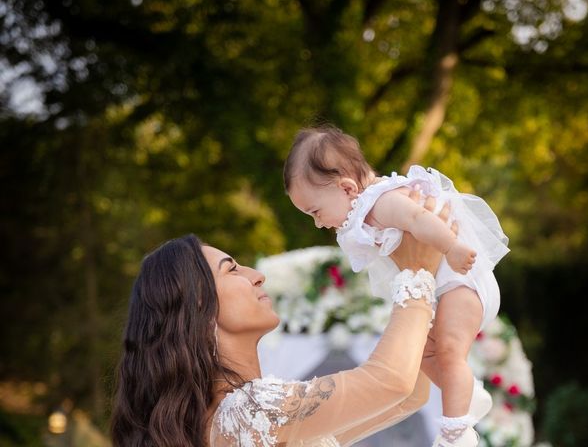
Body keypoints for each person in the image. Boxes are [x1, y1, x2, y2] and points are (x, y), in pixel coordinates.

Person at [110, 190, 453, 447]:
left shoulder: (242, 416)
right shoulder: (247, 412)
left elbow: (402, 399)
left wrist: (424, 320)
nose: (256, 275)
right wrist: (417, 271)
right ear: (201, 307)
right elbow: (389, 382)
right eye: (231, 269)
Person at [284, 124, 510, 447]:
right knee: (423, 353)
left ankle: (456, 432)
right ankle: (466, 392)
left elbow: (420, 219)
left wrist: (452, 247)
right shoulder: (364, 214)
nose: (318, 223)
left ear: (347, 188)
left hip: (462, 281)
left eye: (315, 211)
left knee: (447, 350)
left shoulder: (383, 202)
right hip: (443, 288)